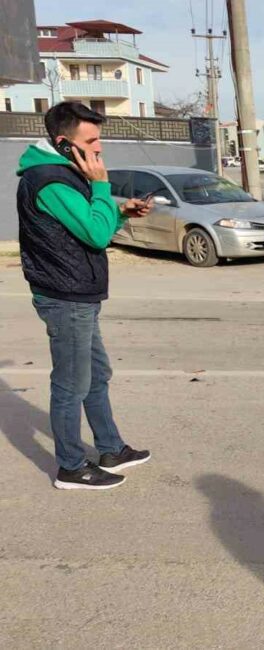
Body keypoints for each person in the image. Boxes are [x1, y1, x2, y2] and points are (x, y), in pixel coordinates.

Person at [16, 102, 153, 490]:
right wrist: (103, 186)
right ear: (64, 144)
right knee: (71, 384)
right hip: (65, 295)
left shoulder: (62, 174)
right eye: (91, 140)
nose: (98, 149)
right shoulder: (50, 180)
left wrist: (121, 212)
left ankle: (110, 448)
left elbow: (92, 225)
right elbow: (95, 233)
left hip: (78, 292)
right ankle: (71, 468)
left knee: (96, 375)